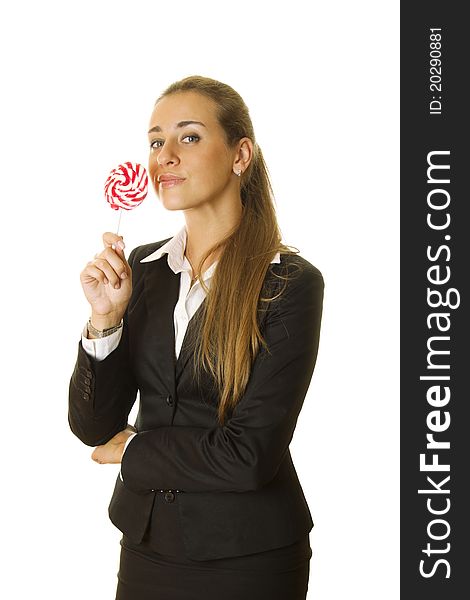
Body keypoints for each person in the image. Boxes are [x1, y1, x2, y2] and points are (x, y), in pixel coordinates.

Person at [68, 74, 324, 600]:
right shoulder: (144, 268)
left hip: (247, 557)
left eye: (188, 137)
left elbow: (249, 455)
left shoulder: (289, 284)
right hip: (145, 545)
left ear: (240, 155)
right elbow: (94, 427)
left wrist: (136, 450)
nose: (165, 155)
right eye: (156, 141)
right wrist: (105, 321)